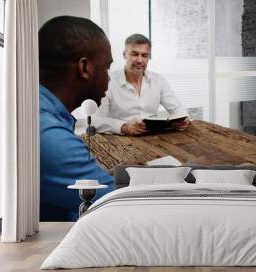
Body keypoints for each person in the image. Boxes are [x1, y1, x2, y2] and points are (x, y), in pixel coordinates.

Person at [39, 16, 115, 221]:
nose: (109, 79)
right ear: (84, 68)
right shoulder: (46, 134)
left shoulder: (39, 109)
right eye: (107, 67)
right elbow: (117, 202)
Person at [92, 33, 191, 136]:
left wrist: (182, 120)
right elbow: (95, 121)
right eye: (134, 54)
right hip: (121, 139)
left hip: (154, 137)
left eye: (144, 55)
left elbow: (177, 108)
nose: (140, 60)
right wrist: (124, 126)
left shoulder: (158, 80)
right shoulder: (108, 82)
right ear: (124, 54)